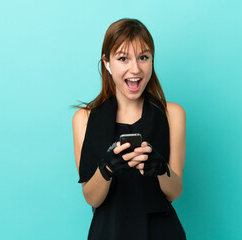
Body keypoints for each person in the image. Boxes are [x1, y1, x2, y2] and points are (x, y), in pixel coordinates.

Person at [72, 18, 187, 240]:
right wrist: (107, 169)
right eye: (123, 58)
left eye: (143, 57)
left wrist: (160, 168)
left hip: (162, 232)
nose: (135, 69)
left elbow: (175, 192)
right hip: (109, 232)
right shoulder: (84, 119)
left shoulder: (173, 114)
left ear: (152, 60)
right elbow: (91, 197)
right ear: (107, 62)